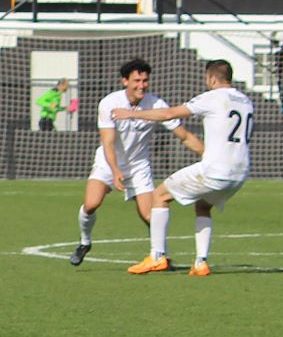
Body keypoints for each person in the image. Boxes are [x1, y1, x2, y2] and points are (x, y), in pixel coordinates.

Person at [116, 59, 253, 277]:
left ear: (212, 78)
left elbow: (169, 114)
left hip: (215, 170)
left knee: (159, 196)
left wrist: (131, 113)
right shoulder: (245, 100)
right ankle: (201, 262)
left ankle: (157, 256)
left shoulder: (212, 97)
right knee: (203, 206)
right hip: (240, 173)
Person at [70, 59, 204, 266]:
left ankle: (159, 256)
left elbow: (183, 136)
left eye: (145, 80)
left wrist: (207, 154)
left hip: (139, 165)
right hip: (108, 162)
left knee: (150, 214)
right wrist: (115, 171)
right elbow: (108, 142)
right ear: (124, 81)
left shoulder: (157, 104)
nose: (142, 85)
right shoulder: (109, 103)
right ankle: (85, 242)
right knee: (91, 204)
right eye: (136, 80)